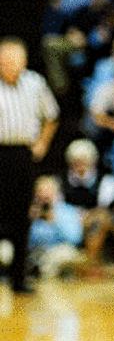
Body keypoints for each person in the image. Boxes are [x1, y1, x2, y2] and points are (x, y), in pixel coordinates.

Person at [0, 37, 59, 294]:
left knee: (22, 216)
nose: (9, 65)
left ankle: (18, 279)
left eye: (14, 60)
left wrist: (42, 143)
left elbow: (52, 115)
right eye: (4, 60)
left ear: (23, 61)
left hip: (24, 154)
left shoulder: (35, 83)